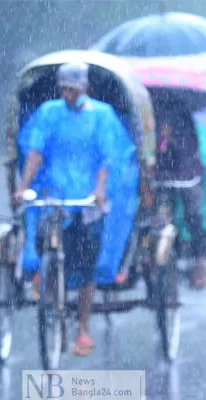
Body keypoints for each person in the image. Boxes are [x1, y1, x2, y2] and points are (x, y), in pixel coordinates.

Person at [13, 61, 125, 356]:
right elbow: (36, 151)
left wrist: (99, 190)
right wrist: (23, 186)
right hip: (56, 193)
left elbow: (106, 158)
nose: (68, 95)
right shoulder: (49, 113)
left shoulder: (102, 116)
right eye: (64, 89)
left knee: (86, 265)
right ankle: (51, 305)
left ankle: (83, 329)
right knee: (45, 244)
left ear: (84, 88)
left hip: (87, 199)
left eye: (73, 89)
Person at [154, 101, 206, 289]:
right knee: (158, 217)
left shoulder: (183, 114)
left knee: (193, 214)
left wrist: (173, 142)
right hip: (160, 175)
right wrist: (162, 141)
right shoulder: (149, 110)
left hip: (187, 174)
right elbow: (154, 149)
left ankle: (199, 261)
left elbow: (191, 147)